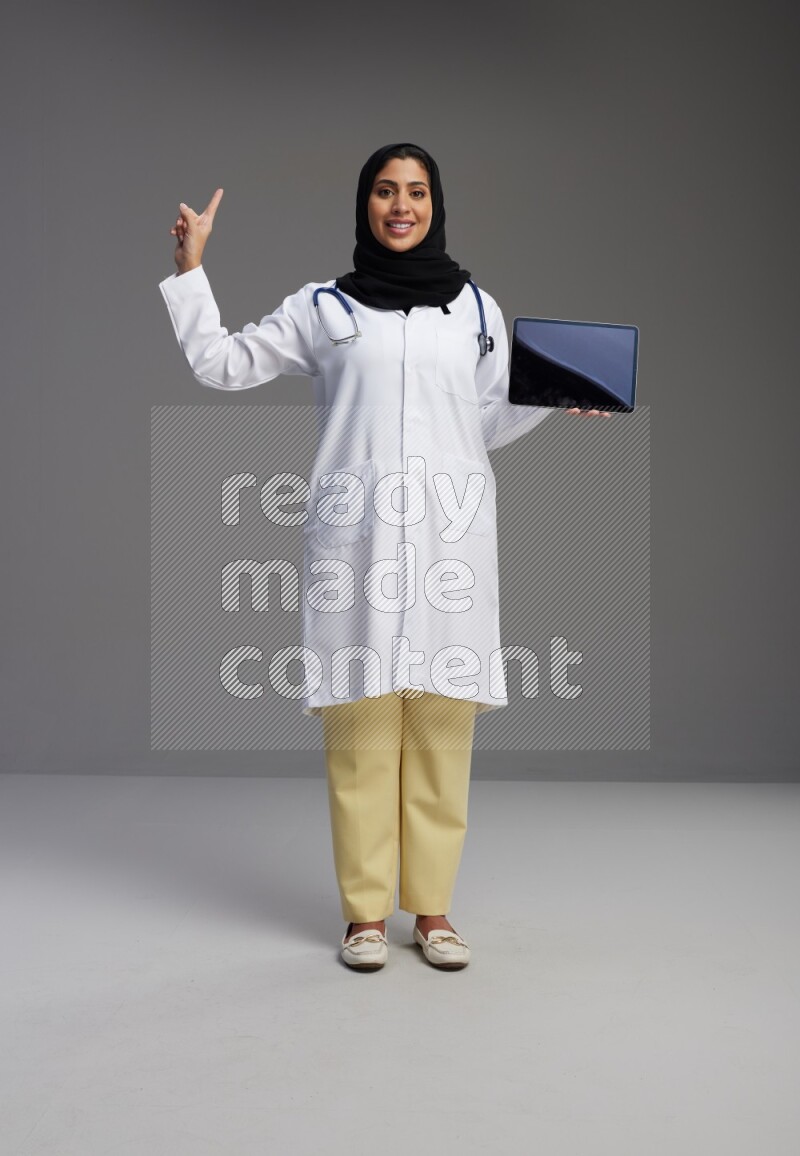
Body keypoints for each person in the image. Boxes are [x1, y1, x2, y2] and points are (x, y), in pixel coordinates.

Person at [159, 142, 610, 972]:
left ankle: (432, 913)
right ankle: (365, 915)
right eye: (384, 191)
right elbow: (220, 364)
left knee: (441, 727)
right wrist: (192, 272)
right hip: (356, 545)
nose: (400, 205)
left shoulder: (476, 311)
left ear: (436, 205)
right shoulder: (321, 308)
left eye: (415, 191)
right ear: (364, 204)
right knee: (361, 731)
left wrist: (559, 395)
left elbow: (486, 421)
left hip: (447, 541)